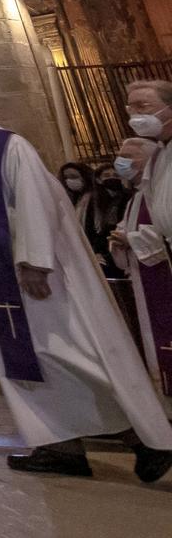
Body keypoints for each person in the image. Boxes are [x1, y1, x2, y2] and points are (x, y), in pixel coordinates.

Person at [0, 83, 172, 481]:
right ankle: (58, 446)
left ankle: (145, 439)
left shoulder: (9, 146)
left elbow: (35, 203)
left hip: (29, 277)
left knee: (69, 355)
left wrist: (35, 261)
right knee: (32, 364)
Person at [107, 136, 172, 410]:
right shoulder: (136, 199)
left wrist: (131, 239)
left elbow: (164, 235)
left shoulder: (159, 193)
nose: (122, 163)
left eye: (130, 158)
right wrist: (120, 239)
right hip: (144, 279)